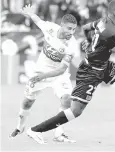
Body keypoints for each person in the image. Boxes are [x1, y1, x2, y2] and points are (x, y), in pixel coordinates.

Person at [26, 0, 115, 144]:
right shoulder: (113, 33)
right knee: (75, 111)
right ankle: (35, 130)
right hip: (90, 72)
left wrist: (89, 42)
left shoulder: (102, 21)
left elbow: (86, 28)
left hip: (103, 66)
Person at [10, 4, 79, 143]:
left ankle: (59, 134)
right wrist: (30, 14)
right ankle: (20, 126)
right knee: (28, 101)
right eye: (69, 28)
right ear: (61, 25)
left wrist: (42, 77)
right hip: (40, 70)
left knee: (66, 99)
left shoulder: (71, 45)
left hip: (58, 74)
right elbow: (37, 20)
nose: (71, 32)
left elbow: (60, 70)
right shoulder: (50, 28)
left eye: (74, 29)